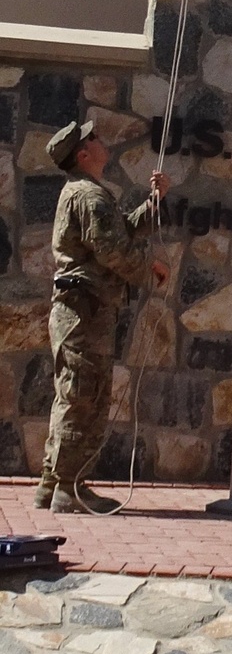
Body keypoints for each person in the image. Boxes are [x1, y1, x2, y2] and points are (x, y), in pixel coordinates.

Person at [35, 120, 169, 515]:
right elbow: (112, 250)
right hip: (85, 310)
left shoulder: (89, 194)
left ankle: (54, 482)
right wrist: (151, 267)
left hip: (83, 309)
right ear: (83, 155)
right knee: (83, 398)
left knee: (77, 395)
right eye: (93, 138)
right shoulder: (89, 196)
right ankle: (67, 487)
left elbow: (118, 232)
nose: (100, 139)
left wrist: (154, 202)